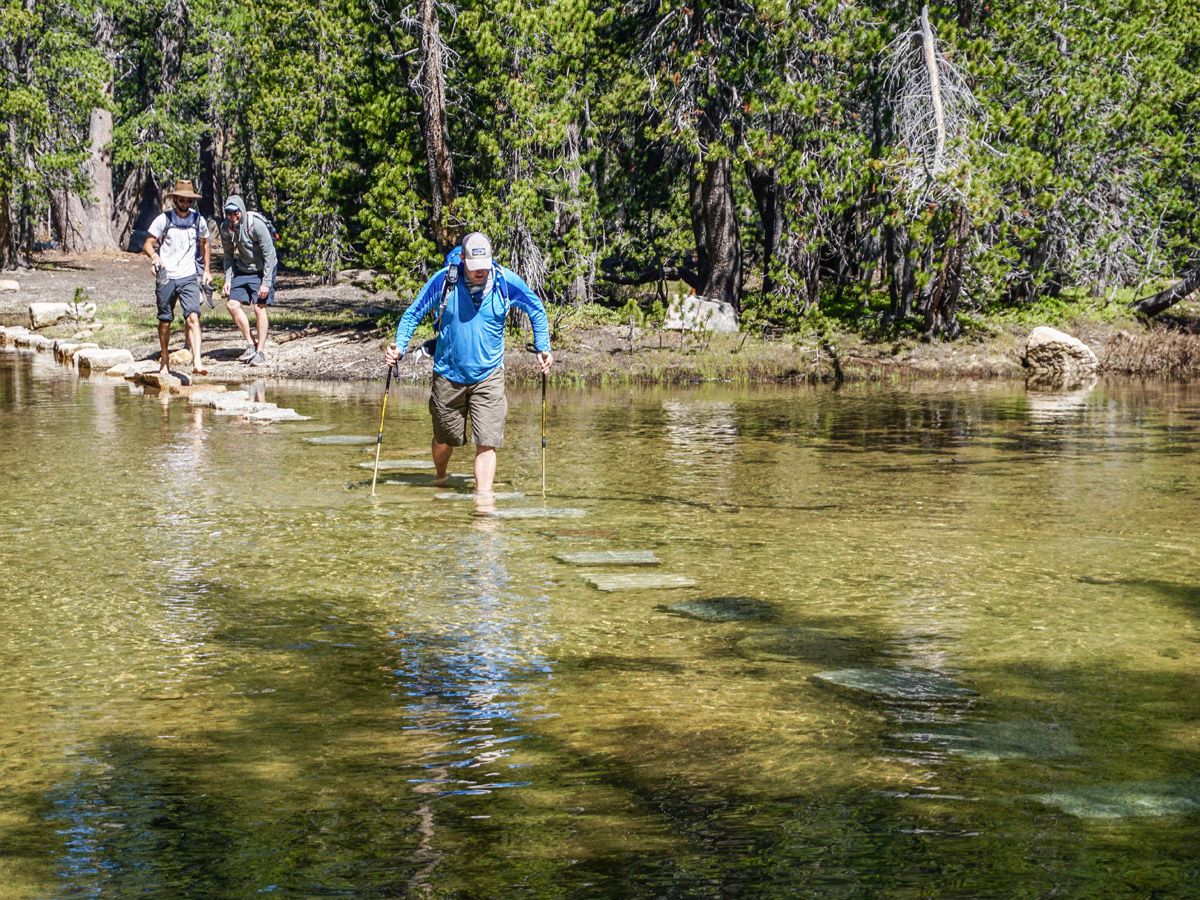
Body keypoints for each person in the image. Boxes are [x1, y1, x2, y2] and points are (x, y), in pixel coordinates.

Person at [384, 232, 553, 494]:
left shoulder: (504, 282)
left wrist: (543, 347)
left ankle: (484, 506)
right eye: (474, 268)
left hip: (489, 375)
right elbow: (413, 313)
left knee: (487, 443)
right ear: (462, 259)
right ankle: (440, 478)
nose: (480, 272)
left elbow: (535, 308)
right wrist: (400, 347)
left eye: (485, 266)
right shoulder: (444, 281)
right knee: (444, 440)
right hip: (448, 375)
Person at [143, 179, 212, 376]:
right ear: (175, 200)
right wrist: (155, 256)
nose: (184, 204)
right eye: (181, 200)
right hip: (167, 277)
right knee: (165, 320)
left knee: (193, 317)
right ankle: (164, 359)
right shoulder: (163, 219)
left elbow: (205, 244)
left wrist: (206, 270)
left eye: (188, 201)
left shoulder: (198, 220)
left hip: (189, 276)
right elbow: (148, 243)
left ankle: (197, 361)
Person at [220, 195, 278, 367]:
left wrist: (266, 283)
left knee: (259, 308)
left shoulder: (255, 225)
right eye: (229, 213)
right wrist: (228, 279)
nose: (233, 217)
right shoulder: (226, 228)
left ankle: (260, 351)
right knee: (232, 305)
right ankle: (250, 343)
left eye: (235, 212)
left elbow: (270, 254)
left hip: (263, 270)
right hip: (243, 269)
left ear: (241, 210)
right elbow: (228, 256)